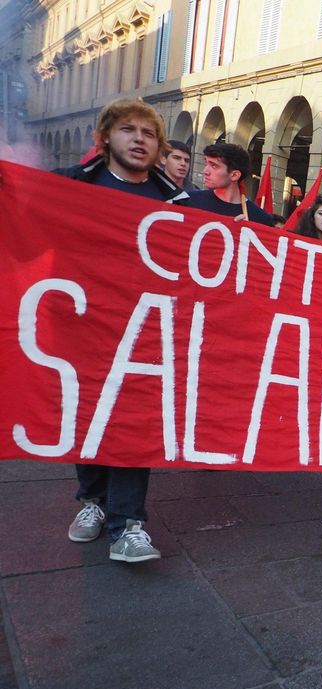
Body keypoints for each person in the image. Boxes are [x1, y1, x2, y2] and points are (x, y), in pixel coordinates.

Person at [56, 98, 189, 564]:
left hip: (147, 336)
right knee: (87, 418)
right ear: (107, 137)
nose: (138, 139)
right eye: (128, 130)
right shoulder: (72, 186)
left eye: (148, 133)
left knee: (135, 425)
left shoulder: (178, 203)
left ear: (157, 147)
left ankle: (128, 523)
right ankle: (92, 500)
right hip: (84, 329)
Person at [187, 142, 274, 225]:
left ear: (234, 175)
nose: (205, 171)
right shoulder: (188, 201)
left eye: (214, 166)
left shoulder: (260, 219)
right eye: (206, 163)